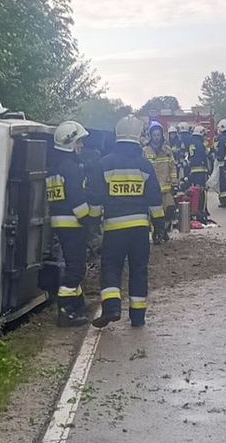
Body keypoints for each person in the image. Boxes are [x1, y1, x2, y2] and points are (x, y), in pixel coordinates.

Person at [89, 115, 164, 328]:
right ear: (138, 137)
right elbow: (155, 200)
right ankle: (138, 316)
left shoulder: (104, 164)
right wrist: (159, 227)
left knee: (111, 266)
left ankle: (112, 308)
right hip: (140, 229)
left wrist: (93, 224)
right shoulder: (145, 165)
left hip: (114, 228)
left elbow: (95, 199)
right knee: (139, 269)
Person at [46, 121, 94, 326]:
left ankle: (77, 305)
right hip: (73, 223)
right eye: (79, 141)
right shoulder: (71, 168)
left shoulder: (54, 167)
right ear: (69, 143)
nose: (81, 146)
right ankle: (65, 312)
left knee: (75, 265)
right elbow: (76, 198)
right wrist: (89, 221)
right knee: (75, 269)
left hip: (60, 223)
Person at [143, 121, 178, 243]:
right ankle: (157, 232)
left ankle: (164, 230)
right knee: (154, 213)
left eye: (158, 135)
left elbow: (173, 166)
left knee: (169, 210)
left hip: (166, 187)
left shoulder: (167, 150)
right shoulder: (145, 151)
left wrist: (174, 181)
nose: (156, 137)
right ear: (150, 136)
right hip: (151, 188)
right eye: (154, 135)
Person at [187, 125, 212, 222]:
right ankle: (202, 210)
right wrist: (208, 170)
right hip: (201, 171)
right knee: (202, 191)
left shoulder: (191, 143)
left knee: (194, 191)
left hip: (193, 171)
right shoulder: (201, 145)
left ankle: (195, 208)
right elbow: (205, 157)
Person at [214, 119, 226, 208]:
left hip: (223, 164)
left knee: (223, 184)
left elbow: (220, 153)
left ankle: (224, 202)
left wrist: (216, 154)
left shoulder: (222, 139)